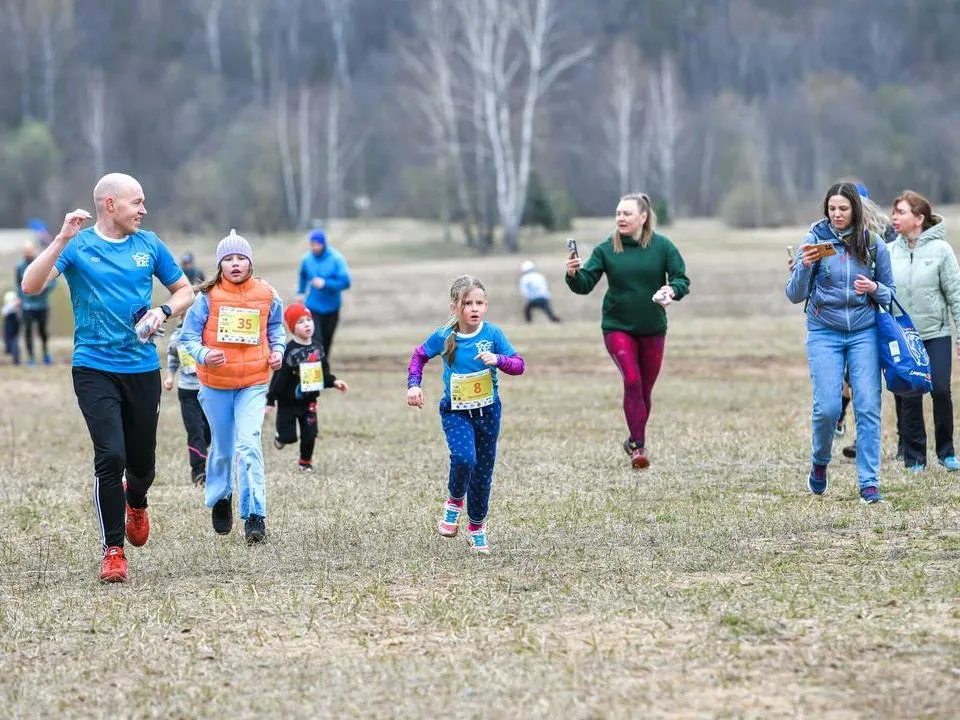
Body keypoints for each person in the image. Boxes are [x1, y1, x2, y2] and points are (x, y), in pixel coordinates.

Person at [19, 172, 194, 582]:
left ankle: (138, 500)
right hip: (93, 367)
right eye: (137, 202)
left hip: (142, 368)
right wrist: (60, 239)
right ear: (110, 204)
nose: (144, 210)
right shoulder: (78, 246)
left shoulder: (149, 245)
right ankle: (113, 551)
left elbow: (185, 290)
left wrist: (162, 311)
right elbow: (31, 285)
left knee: (142, 465)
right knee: (110, 456)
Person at [785, 181, 895, 504]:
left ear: (855, 210)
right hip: (825, 331)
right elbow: (794, 295)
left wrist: (874, 288)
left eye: (843, 209)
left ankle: (869, 483)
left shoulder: (873, 244)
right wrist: (804, 267)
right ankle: (820, 463)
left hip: (864, 332)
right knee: (828, 408)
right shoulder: (815, 240)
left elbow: (891, 294)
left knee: (868, 407)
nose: (836, 215)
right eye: (832, 209)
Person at [565, 192, 690, 470]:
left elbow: (682, 278)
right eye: (618, 213)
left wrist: (673, 290)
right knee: (632, 380)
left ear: (643, 217)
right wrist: (574, 273)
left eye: (627, 213)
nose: (621, 218)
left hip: (653, 328)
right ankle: (638, 447)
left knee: (644, 391)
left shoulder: (663, 247)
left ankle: (633, 439)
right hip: (617, 327)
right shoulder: (606, 249)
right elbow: (585, 284)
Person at [179, 229, 285, 544]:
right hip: (215, 385)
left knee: (249, 445)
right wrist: (204, 354)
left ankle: (255, 515)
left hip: (253, 383)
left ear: (250, 262)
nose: (235, 264)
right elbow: (188, 338)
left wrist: (277, 350)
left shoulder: (267, 294)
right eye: (228, 259)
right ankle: (221, 497)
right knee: (223, 448)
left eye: (241, 258)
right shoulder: (207, 298)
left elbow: (276, 327)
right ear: (220, 265)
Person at [406, 275, 525, 554]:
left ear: (486, 306)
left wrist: (499, 360)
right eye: (467, 303)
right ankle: (454, 501)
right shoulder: (445, 336)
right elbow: (418, 356)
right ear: (455, 308)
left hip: (488, 412)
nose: (474, 308)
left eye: (480, 303)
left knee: (483, 473)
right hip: (456, 411)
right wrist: (414, 386)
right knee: (464, 458)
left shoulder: (493, 334)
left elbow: (519, 365)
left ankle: (476, 528)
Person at [887, 190, 960, 472]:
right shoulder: (889, 251)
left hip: (936, 333)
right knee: (910, 394)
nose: (895, 217)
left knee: (940, 390)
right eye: (894, 212)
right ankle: (914, 457)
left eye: (901, 212)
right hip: (905, 337)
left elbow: (955, 295)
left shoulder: (941, 250)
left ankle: (947, 452)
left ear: (919, 218)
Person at [266, 302, 348, 472]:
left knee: (310, 433)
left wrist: (333, 382)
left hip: (309, 401)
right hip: (288, 402)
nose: (307, 324)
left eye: (308, 320)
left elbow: (323, 371)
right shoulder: (288, 351)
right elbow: (279, 378)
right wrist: (271, 400)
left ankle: (305, 462)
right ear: (292, 328)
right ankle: (281, 437)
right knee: (289, 437)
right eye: (300, 322)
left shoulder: (318, 347)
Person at [164, 322, 211, 485]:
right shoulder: (177, 335)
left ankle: (203, 453)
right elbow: (173, 357)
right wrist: (170, 376)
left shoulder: (208, 331)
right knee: (195, 431)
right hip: (187, 391)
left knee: (208, 431)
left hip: (210, 390)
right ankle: (198, 471)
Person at [297, 229, 351, 359]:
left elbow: (346, 282)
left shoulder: (336, 258)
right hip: (313, 307)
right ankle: (315, 368)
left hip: (332, 307)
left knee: (326, 342)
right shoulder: (307, 259)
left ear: (323, 243)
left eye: (317, 244)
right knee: (316, 341)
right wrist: (300, 292)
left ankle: (323, 368)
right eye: (312, 244)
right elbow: (303, 274)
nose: (315, 247)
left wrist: (325, 283)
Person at [15, 241, 56, 365]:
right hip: (27, 306)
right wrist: (21, 298)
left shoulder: (41, 264)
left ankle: (45, 353)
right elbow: (17, 285)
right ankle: (31, 357)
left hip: (42, 305)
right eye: (26, 252)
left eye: (30, 251)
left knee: (43, 330)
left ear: (34, 251)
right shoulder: (19, 266)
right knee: (27, 331)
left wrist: (44, 288)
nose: (28, 254)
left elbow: (53, 281)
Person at [2, 290, 20, 365]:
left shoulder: (17, 310)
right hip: (8, 329)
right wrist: (13, 305)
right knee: (8, 344)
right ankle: (9, 355)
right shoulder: (7, 308)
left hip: (15, 330)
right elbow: (4, 311)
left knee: (14, 344)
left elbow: (20, 317)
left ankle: (16, 360)